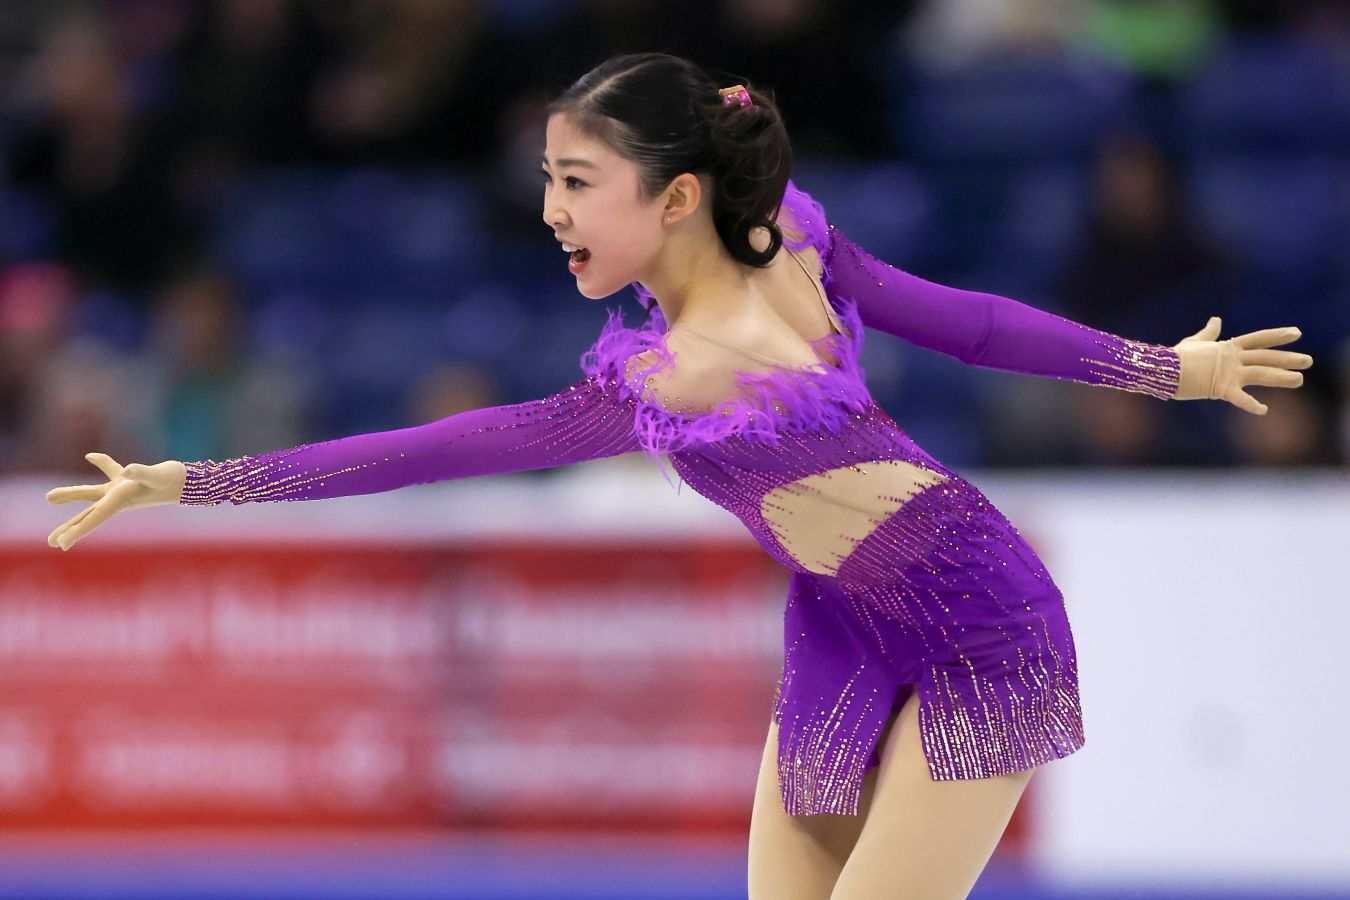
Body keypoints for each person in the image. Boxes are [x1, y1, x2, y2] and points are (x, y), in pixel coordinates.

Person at [45, 53, 1312, 899]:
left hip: (983, 625)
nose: (551, 209)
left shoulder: (713, 346)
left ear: (675, 196)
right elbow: (436, 450)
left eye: (577, 184)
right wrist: (194, 484)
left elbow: (969, 322)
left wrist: (1164, 370)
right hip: (845, 620)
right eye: (548, 179)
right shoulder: (741, 278)